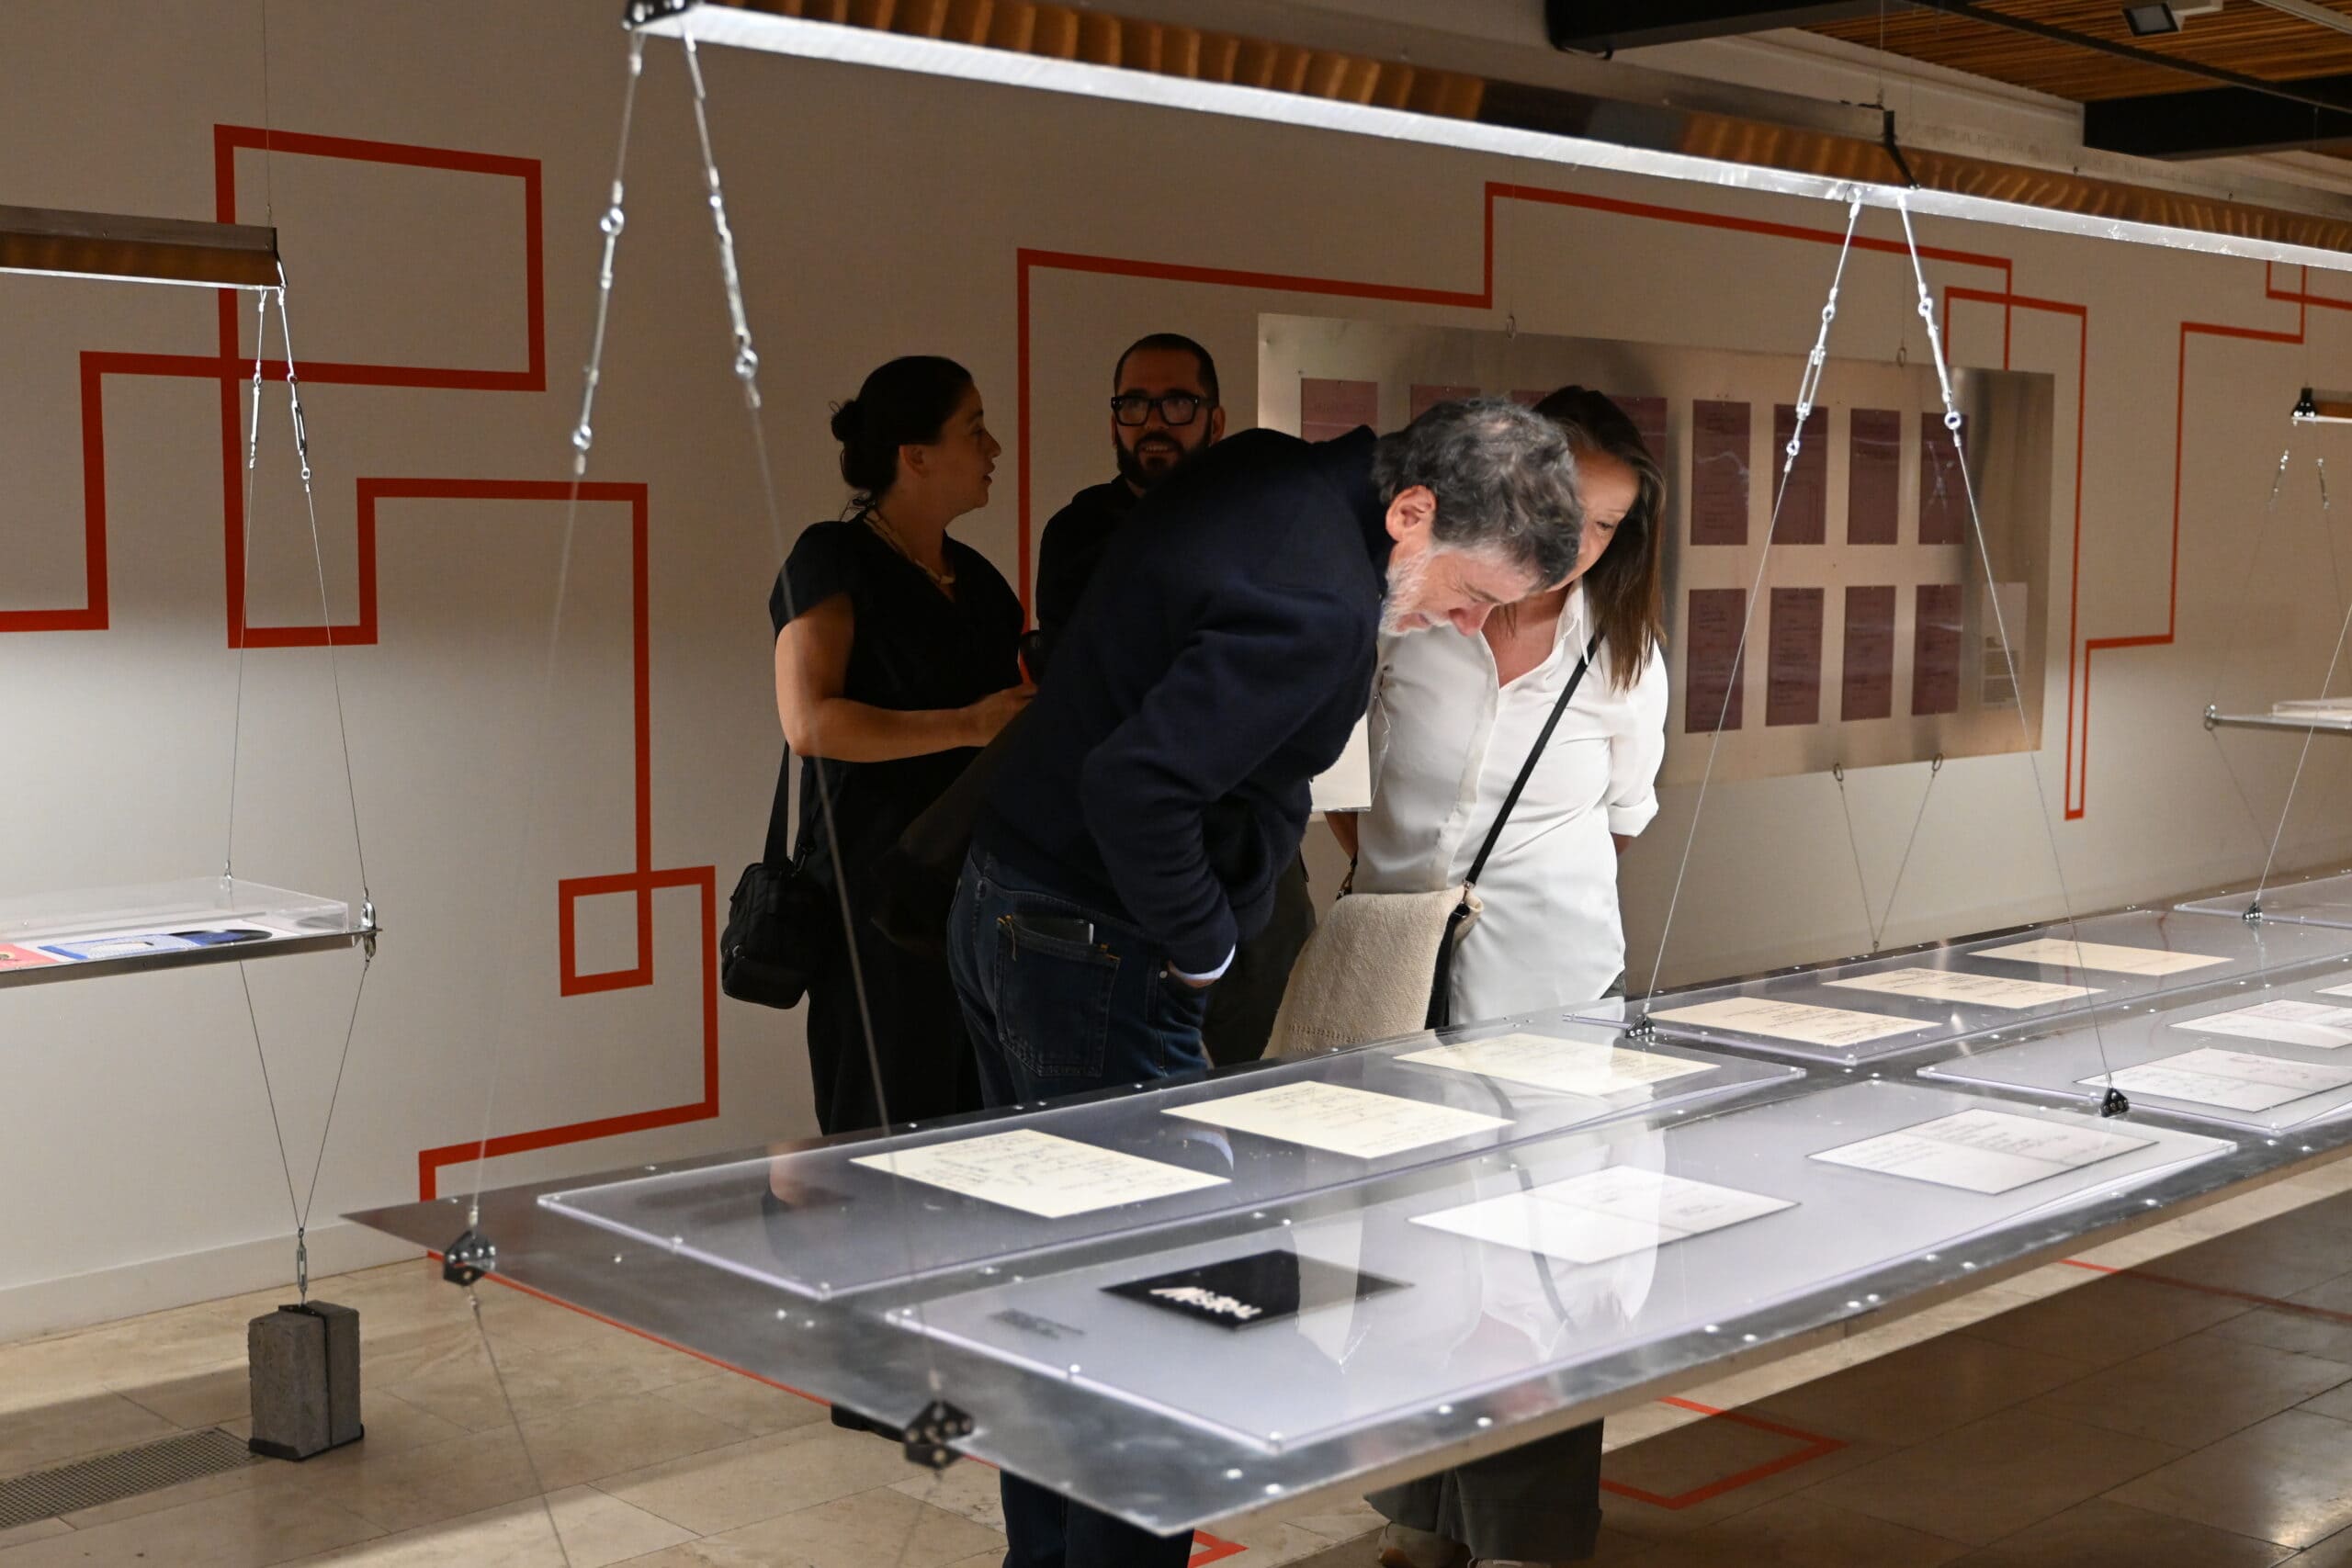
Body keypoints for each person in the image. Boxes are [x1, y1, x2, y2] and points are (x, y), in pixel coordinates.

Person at [945, 398, 1584, 1568]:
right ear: (1412, 511)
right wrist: (1205, 948)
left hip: (1009, 900)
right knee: (1154, 1318)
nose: (1464, 622)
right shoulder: (1319, 606)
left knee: (1054, 1288)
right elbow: (1138, 788)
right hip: (1096, 948)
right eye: (1471, 593)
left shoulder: (1270, 472)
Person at [1337, 387, 1669, 1568]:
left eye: (1608, 526)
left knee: (1548, 1259)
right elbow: (1347, 792)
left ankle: (1527, 1536)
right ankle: (1421, 1517)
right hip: (1397, 981)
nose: (1579, 545)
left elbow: (1621, 818)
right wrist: (1412, 902)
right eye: (1569, 510)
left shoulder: (1620, 652)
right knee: (1411, 1243)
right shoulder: (1409, 617)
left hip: (1552, 995)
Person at [1035, 332, 1315, 1068]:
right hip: (1122, 855)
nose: (1153, 421)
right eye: (1135, 404)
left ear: (1215, 420)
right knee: (1125, 1081)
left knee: (1272, 1072)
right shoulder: (1077, 534)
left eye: (1177, 403)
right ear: (1114, 421)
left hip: (1252, 842)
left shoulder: (1266, 521)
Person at [771, 355, 1031, 1139]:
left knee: (979, 1124)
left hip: (975, 895)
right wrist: (969, 723)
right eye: (974, 430)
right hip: (870, 902)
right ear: (914, 455)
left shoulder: (981, 583)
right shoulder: (833, 557)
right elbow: (809, 721)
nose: (993, 449)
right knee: (879, 1131)